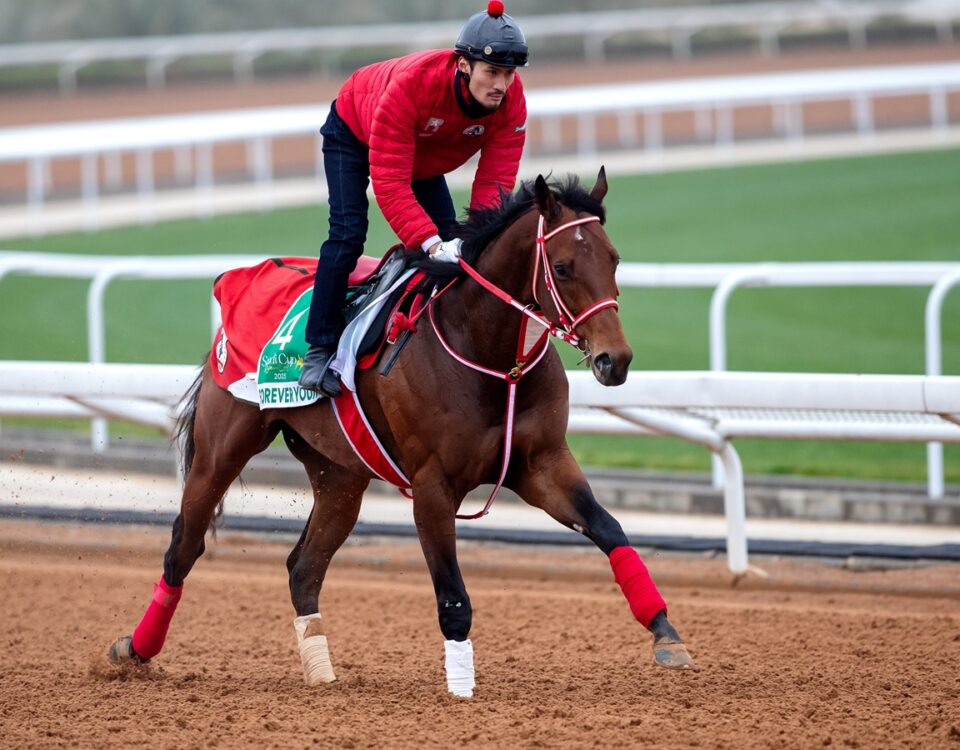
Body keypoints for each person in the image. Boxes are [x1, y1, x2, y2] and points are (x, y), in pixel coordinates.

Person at [299, 0, 529, 396]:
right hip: (354, 130)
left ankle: (432, 344)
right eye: (492, 72)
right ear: (463, 66)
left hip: (421, 152)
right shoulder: (412, 87)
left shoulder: (511, 102)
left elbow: (493, 186)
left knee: (458, 247)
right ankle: (319, 348)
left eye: (508, 74)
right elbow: (391, 184)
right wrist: (430, 243)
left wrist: (471, 242)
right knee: (349, 234)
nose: (501, 85)